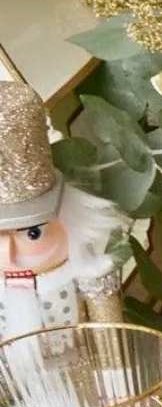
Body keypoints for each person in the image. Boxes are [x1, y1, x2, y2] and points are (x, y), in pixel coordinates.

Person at [0, 79, 126, 340]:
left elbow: (110, 340)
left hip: (77, 361)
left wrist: (112, 367)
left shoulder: (83, 276)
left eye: (33, 233)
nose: (8, 255)